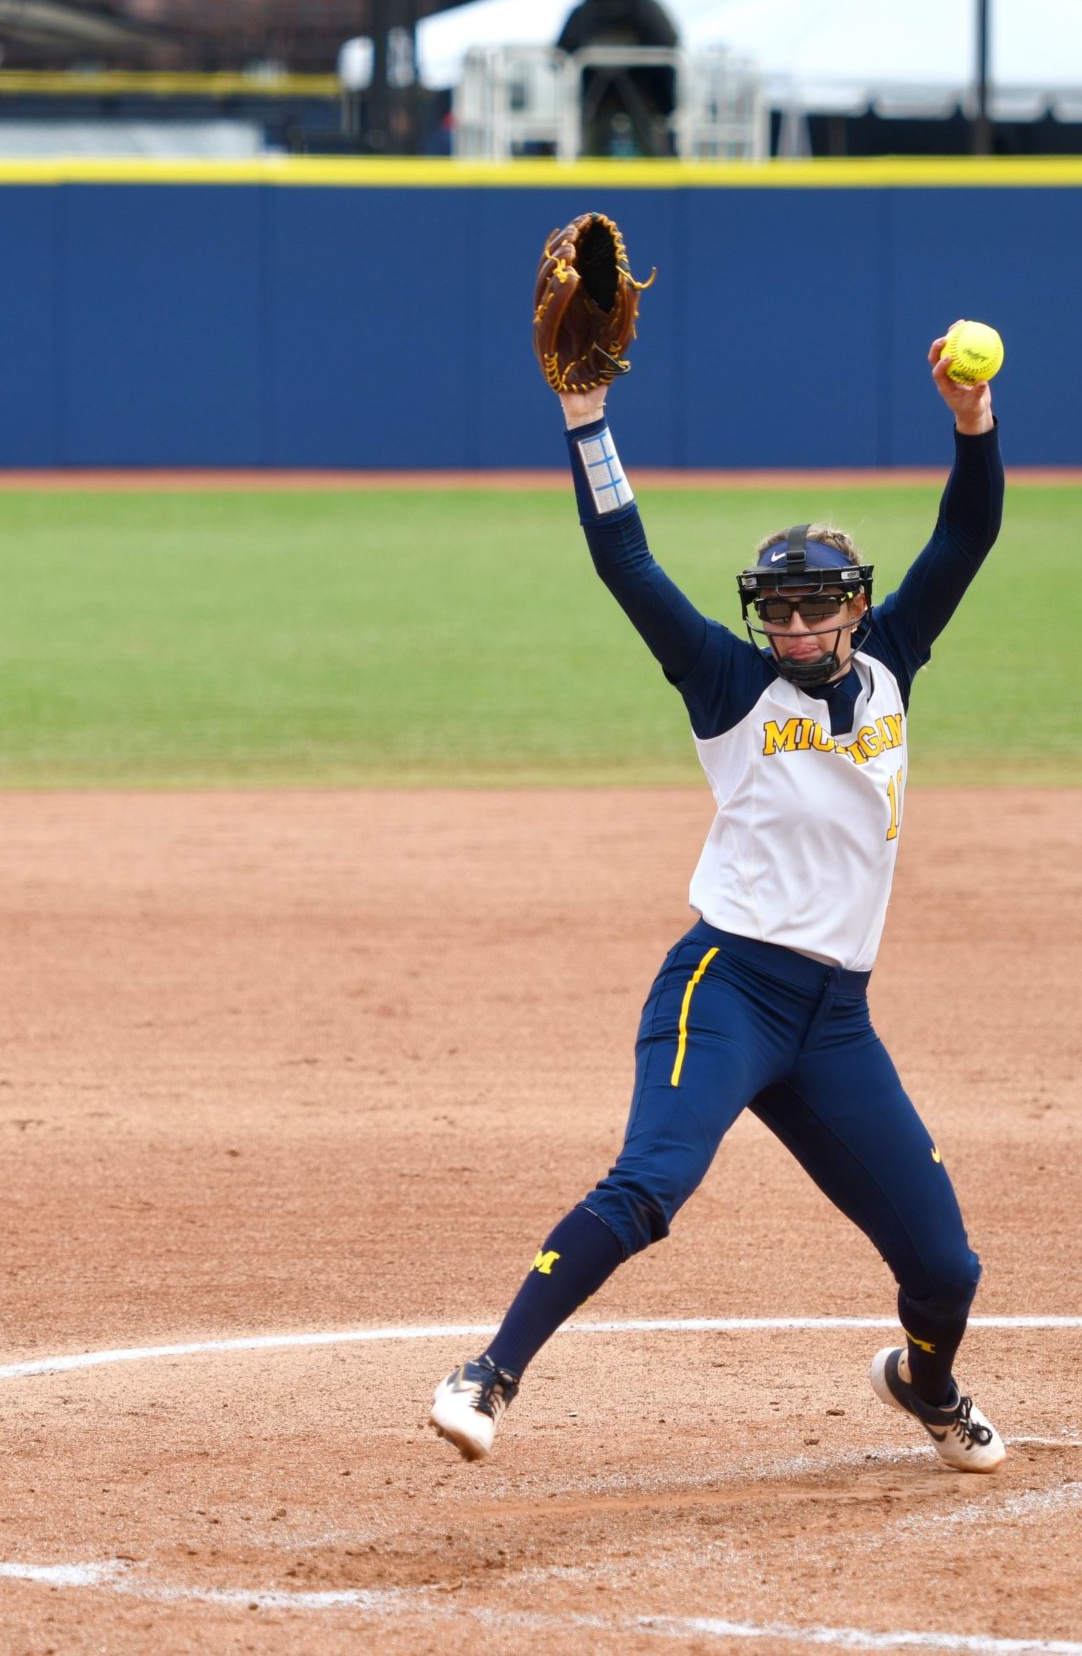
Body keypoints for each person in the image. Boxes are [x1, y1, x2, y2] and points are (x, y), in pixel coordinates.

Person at [429, 334, 1009, 1474]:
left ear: (852, 608)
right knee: (651, 1184)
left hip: (836, 1022)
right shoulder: (727, 684)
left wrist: (971, 419)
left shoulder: (894, 658)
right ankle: (484, 1372)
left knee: (947, 1271)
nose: (793, 629)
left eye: (813, 610)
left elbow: (968, 532)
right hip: (727, 987)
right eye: (777, 611)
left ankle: (925, 1383)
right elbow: (627, 564)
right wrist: (586, 420)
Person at [556, 0, 680, 158]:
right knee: (591, 151)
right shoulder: (584, 13)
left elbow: (668, 44)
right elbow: (561, 52)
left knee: (653, 151)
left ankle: (661, 178)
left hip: (643, 95)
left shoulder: (647, 9)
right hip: (597, 102)